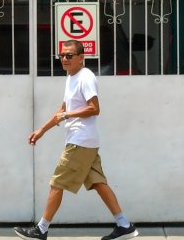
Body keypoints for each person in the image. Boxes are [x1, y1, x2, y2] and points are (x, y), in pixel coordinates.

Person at [14, 39, 138, 240]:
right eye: (62, 55)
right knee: (98, 183)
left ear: (81, 58)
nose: (64, 58)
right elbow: (61, 111)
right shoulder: (71, 78)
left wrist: (67, 116)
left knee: (57, 183)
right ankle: (124, 225)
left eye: (69, 55)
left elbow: (94, 108)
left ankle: (41, 229)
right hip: (85, 141)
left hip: (80, 141)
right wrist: (41, 130)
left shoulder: (85, 77)